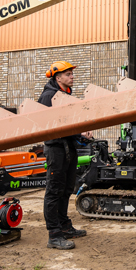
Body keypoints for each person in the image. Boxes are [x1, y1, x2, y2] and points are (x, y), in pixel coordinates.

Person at [39, 60, 92, 250]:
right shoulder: (49, 96)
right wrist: (78, 133)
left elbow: (69, 123)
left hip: (68, 147)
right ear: (58, 77)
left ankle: (64, 226)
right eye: (68, 74)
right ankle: (54, 234)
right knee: (54, 190)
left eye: (71, 74)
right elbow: (50, 125)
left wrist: (82, 133)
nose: (72, 77)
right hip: (56, 149)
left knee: (67, 188)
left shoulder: (65, 95)